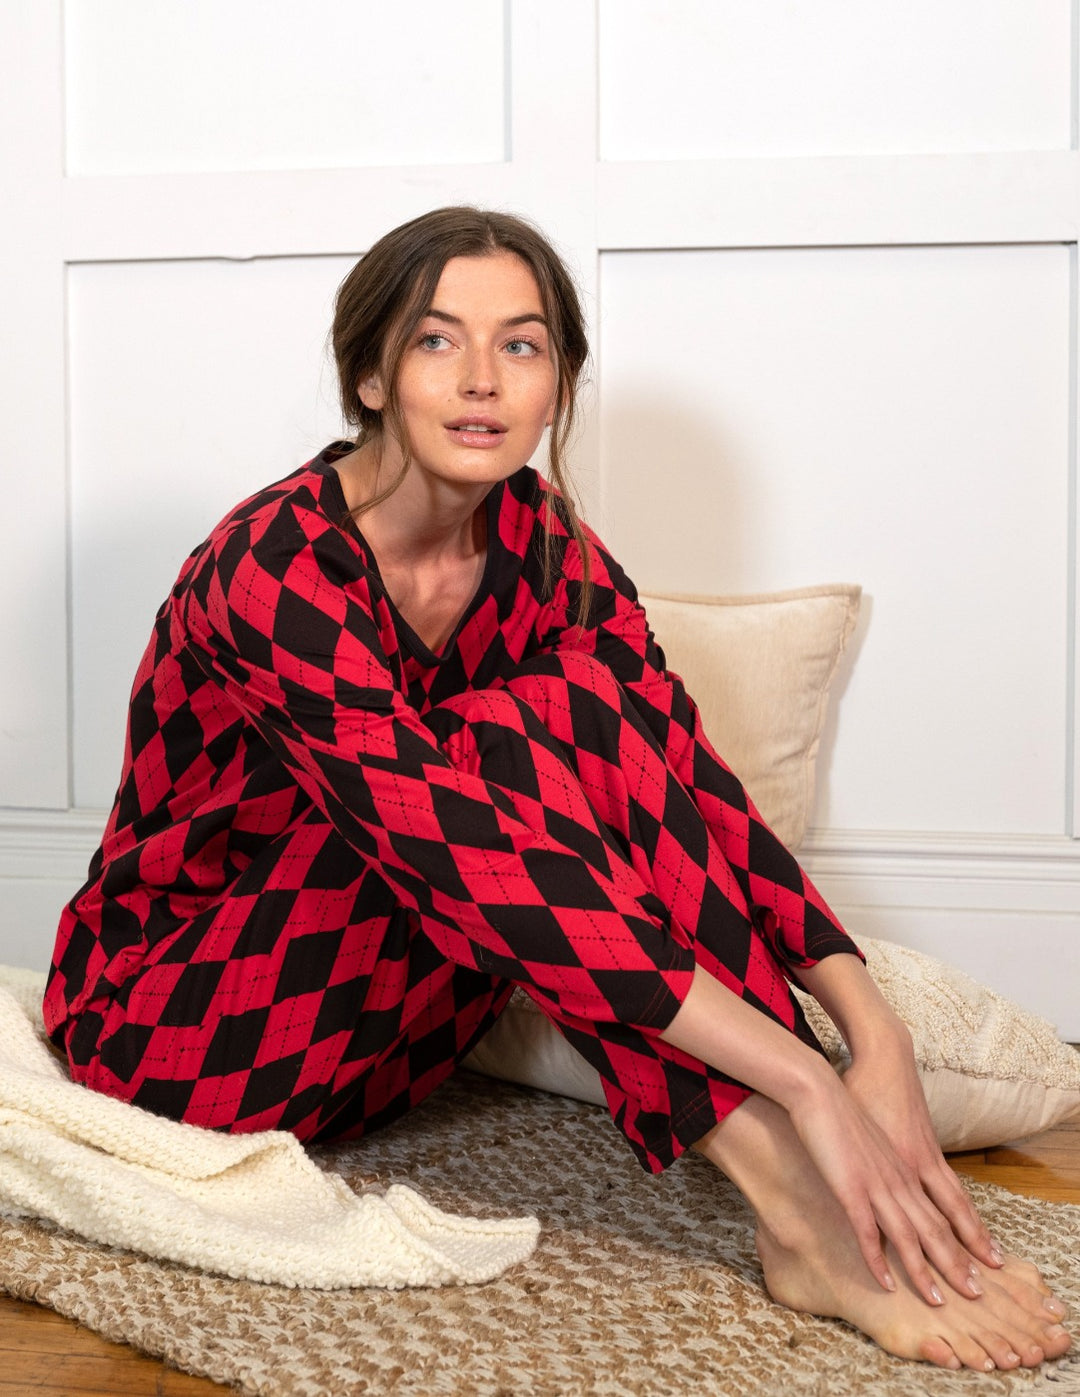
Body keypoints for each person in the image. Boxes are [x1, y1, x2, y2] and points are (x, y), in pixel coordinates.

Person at [47, 206, 1070, 1372]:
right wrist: (806, 1081)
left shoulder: (547, 546)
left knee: (593, 712)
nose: (482, 379)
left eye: (522, 345)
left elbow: (690, 780)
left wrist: (869, 1029)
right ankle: (801, 1208)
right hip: (180, 1029)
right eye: (436, 340)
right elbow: (453, 852)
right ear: (371, 378)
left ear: (559, 383)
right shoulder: (273, 567)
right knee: (505, 750)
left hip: (392, 1040)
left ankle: (808, 1189)